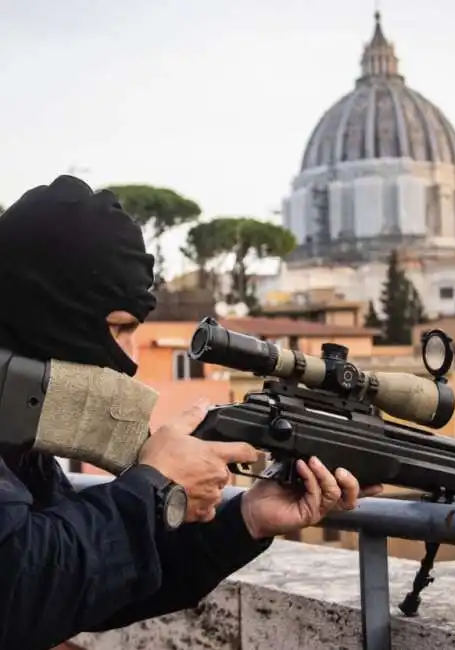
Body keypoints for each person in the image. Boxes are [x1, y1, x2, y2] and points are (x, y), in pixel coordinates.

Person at [0, 175, 383, 650]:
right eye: (119, 328)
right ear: (45, 314)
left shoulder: (17, 436)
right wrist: (155, 484)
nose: (132, 356)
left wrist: (246, 520)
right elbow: (17, 591)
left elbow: (83, 589)